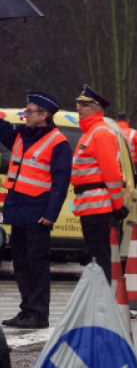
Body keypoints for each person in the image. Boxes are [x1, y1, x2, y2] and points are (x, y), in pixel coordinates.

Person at [0, 93, 72, 329]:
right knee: (20, 264)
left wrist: (51, 214)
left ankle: (39, 314)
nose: (25, 114)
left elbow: (61, 182)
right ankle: (26, 310)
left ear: (43, 115)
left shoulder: (58, 142)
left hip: (38, 213)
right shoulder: (21, 134)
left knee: (36, 265)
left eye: (29, 111)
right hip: (18, 209)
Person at [72, 85, 127, 283]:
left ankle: (101, 303)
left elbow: (112, 174)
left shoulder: (100, 132)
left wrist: (118, 206)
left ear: (96, 110)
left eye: (84, 105)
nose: (78, 108)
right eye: (78, 104)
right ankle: (97, 302)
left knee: (98, 258)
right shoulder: (91, 132)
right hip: (91, 206)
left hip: (98, 207)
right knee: (94, 257)